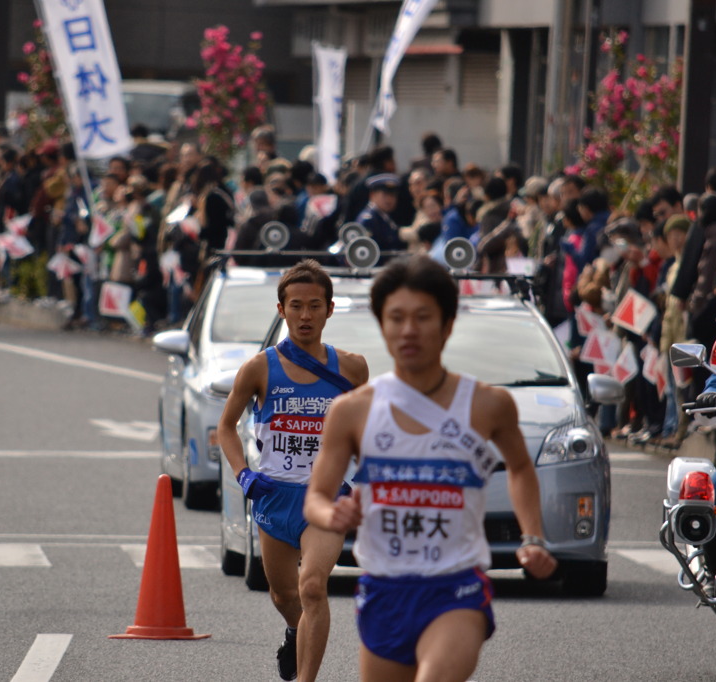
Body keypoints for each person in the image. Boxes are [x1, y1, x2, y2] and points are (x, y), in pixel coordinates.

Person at [303, 255, 556, 682]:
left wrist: (533, 537)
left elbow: (519, 467)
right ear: (382, 325)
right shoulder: (352, 411)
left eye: (423, 317)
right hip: (384, 588)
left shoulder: (487, 404)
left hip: (455, 588)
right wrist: (334, 516)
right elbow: (316, 497)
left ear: (448, 323)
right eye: (396, 317)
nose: (408, 330)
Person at [217, 259, 369, 681]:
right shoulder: (259, 368)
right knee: (285, 594)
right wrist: (243, 474)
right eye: (297, 306)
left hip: (325, 498)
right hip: (273, 496)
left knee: (313, 586)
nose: (306, 315)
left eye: (315, 305)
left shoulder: (353, 368)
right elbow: (226, 427)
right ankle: (292, 630)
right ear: (281, 310)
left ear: (330, 309)